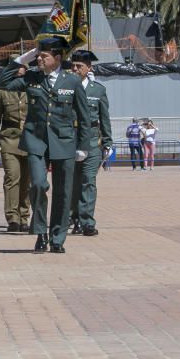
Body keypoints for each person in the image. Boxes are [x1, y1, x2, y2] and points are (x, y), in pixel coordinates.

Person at [0, 37, 92, 254]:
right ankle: (40, 233)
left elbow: (84, 117)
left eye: (43, 56)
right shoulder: (31, 77)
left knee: (63, 192)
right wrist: (21, 59)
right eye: (38, 55)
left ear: (57, 58)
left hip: (64, 143)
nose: (39, 58)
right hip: (36, 142)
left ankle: (58, 238)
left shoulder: (72, 81)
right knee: (38, 184)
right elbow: (2, 83)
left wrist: (83, 146)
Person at [68, 51, 111, 238]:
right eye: (73, 65)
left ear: (89, 68)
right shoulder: (65, 87)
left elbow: (104, 118)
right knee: (72, 183)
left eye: (79, 66)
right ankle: (73, 218)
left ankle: (86, 222)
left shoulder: (98, 90)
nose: (75, 69)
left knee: (88, 181)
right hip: (70, 140)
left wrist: (108, 142)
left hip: (93, 141)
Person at [0, 62, 30, 232]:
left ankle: (24, 216)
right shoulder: (3, 90)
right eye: (17, 67)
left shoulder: (32, 86)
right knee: (13, 177)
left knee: (27, 180)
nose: (21, 70)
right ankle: (13, 218)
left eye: (23, 68)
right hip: (9, 139)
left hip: (30, 140)